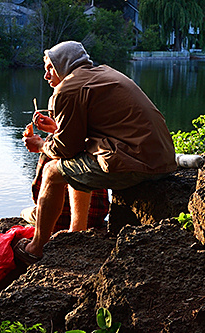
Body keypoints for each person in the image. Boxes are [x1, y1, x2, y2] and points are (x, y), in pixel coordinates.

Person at [16, 41, 176, 264]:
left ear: (64, 65)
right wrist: (56, 128)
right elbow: (93, 131)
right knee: (74, 162)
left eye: (50, 67)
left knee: (53, 171)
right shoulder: (105, 73)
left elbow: (65, 148)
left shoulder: (68, 89)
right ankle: (77, 231)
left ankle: (36, 247)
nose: (45, 76)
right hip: (162, 160)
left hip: (137, 165)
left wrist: (40, 145)